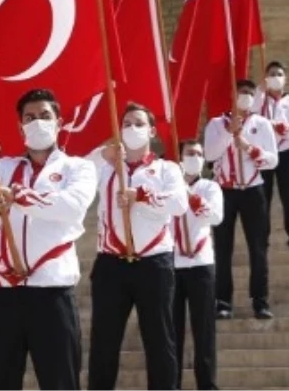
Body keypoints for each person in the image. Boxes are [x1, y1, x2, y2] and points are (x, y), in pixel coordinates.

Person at [0, 88, 97, 391]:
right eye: (29, 117)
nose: (37, 122)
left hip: (51, 295)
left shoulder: (78, 168)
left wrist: (20, 197)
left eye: (44, 116)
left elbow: (72, 206)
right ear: (20, 126)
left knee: (60, 383)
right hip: (1, 294)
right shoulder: (7, 167)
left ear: (59, 122)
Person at [85, 102, 188, 391]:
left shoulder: (166, 168)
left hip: (153, 264)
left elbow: (179, 203)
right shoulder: (105, 168)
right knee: (104, 342)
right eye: (127, 123)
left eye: (139, 123)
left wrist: (141, 195)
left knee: (160, 340)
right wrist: (101, 154)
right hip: (111, 264)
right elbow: (75, 172)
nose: (132, 128)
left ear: (152, 131)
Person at [203, 79, 278, 320]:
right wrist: (228, 132)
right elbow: (210, 155)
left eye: (249, 92)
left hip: (253, 189)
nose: (245, 96)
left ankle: (260, 300)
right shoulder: (216, 123)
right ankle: (223, 300)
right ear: (232, 94)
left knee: (258, 247)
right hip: (225, 190)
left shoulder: (261, 123)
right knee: (223, 248)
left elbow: (272, 159)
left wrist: (249, 148)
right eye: (241, 92)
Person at [172, 140, 223, 391]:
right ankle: (172, 383)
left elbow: (215, 216)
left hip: (201, 263)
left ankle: (207, 384)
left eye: (199, 154)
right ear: (180, 157)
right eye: (190, 153)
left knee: (204, 329)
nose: (195, 157)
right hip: (172, 264)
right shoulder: (170, 186)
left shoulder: (210, 186)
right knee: (172, 331)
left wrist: (189, 195)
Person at [254, 61, 289, 252]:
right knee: (263, 196)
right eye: (271, 74)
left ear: (285, 78)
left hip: (285, 151)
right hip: (266, 152)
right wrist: (260, 89)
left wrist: (286, 129)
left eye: (279, 74)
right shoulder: (261, 100)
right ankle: (261, 237)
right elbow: (252, 113)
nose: (275, 77)